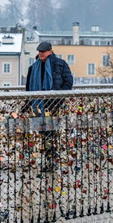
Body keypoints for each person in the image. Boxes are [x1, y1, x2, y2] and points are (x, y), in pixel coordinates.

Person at [25, 42, 73, 172]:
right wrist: (27, 104)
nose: (41, 53)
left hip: (53, 106)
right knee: (43, 134)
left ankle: (51, 162)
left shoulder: (60, 65)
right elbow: (28, 88)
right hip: (39, 106)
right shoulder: (33, 68)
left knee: (51, 134)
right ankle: (48, 161)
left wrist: (58, 100)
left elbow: (68, 83)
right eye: (39, 51)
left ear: (50, 51)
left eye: (43, 51)